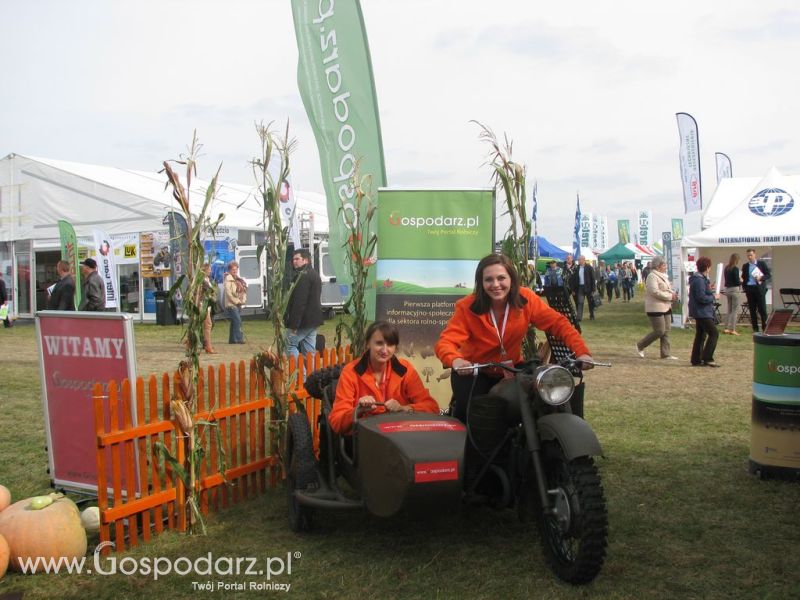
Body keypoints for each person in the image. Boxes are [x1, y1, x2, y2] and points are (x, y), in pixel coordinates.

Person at [435, 254, 593, 423]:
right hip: (475, 371)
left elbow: (558, 324)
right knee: (477, 419)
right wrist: (456, 360)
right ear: (481, 283)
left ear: (511, 278)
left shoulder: (526, 299)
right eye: (488, 279)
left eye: (501, 278)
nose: (496, 285)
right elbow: (445, 342)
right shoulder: (467, 307)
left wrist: (582, 352)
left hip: (513, 369)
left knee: (546, 400)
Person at [329, 321, 440, 435]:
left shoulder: (405, 369)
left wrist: (403, 408)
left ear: (395, 347)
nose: (384, 350)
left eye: (390, 344)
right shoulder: (350, 372)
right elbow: (336, 422)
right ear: (368, 344)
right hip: (365, 440)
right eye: (379, 343)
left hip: (400, 439)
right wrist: (358, 410)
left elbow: (432, 408)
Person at [635, 257, 678, 360]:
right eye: (664, 265)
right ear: (658, 266)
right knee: (659, 331)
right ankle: (640, 345)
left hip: (666, 306)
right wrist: (669, 296)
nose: (666, 267)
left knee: (666, 330)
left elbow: (666, 288)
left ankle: (665, 354)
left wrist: (673, 294)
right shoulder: (652, 276)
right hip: (655, 307)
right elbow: (654, 291)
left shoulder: (663, 276)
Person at [284, 248, 323, 358]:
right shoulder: (314, 274)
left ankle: (303, 375)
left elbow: (299, 302)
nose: (294, 261)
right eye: (293, 259)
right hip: (313, 320)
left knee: (289, 345)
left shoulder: (303, 276)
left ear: (306, 260)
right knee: (309, 352)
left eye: (297, 259)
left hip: (303, 321)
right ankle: (311, 375)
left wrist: (294, 325)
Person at [689, 257, 720, 367]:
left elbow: (702, 292)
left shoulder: (700, 279)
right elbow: (701, 298)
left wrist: (709, 288)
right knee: (714, 333)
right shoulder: (699, 280)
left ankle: (696, 359)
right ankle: (707, 358)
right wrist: (713, 296)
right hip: (702, 312)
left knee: (701, 335)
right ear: (707, 267)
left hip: (700, 311)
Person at [741, 248, 771, 332]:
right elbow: (744, 277)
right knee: (752, 309)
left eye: (751, 255)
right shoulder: (745, 266)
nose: (749, 257)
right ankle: (755, 328)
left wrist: (761, 278)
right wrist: (744, 286)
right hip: (750, 289)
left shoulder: (761, 264)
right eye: (748, 256)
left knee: (762, 309)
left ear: (755, 255)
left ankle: (765, 327)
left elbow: (768, 275)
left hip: (759, 288)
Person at [223, 260, 246, 344]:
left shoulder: (238, 279)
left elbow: (243, 291)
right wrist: (237, 301)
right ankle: (239, 338)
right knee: (237, 320)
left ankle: (232, 340)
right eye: (233, 269)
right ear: (229, 270)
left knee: (234, 322)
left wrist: (242, 301)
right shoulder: (228, 280)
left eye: (236, 269)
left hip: (238, 304)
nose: (235, 271)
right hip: (231, 304)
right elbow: (229, 293)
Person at [569, 255, 596, 321]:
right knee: (580, 302)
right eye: (578, 260)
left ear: (583, 260)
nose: (578, 261)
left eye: (579, 260)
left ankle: (591, 315)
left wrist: (593, 289)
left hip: (588, 287)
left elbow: (593, 278)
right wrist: (573, 289)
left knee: (590, 302)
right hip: (580, 287)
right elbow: (574, 279)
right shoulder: (577, 268)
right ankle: (579, 317)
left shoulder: (589, 267)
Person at [721, 253, 742, 336]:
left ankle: (726, 328)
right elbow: (737, 281)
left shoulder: (726, 268)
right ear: (736, 260)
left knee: (729, 309)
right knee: (735, 310)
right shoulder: (735, 268)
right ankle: (733, 329)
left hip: (728, 290)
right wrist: (741, 280)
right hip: (735, 289)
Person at [200, 263, 217, 353]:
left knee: (207, 325)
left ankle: (206, 345)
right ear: (205, 270)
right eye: (209, 269)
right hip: (202, 305)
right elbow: (210, 291)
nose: (211, 271)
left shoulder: (207, 279)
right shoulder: (202, 281)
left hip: (207, 305)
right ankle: (208, 346)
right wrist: (212, 295)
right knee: (208, 325)